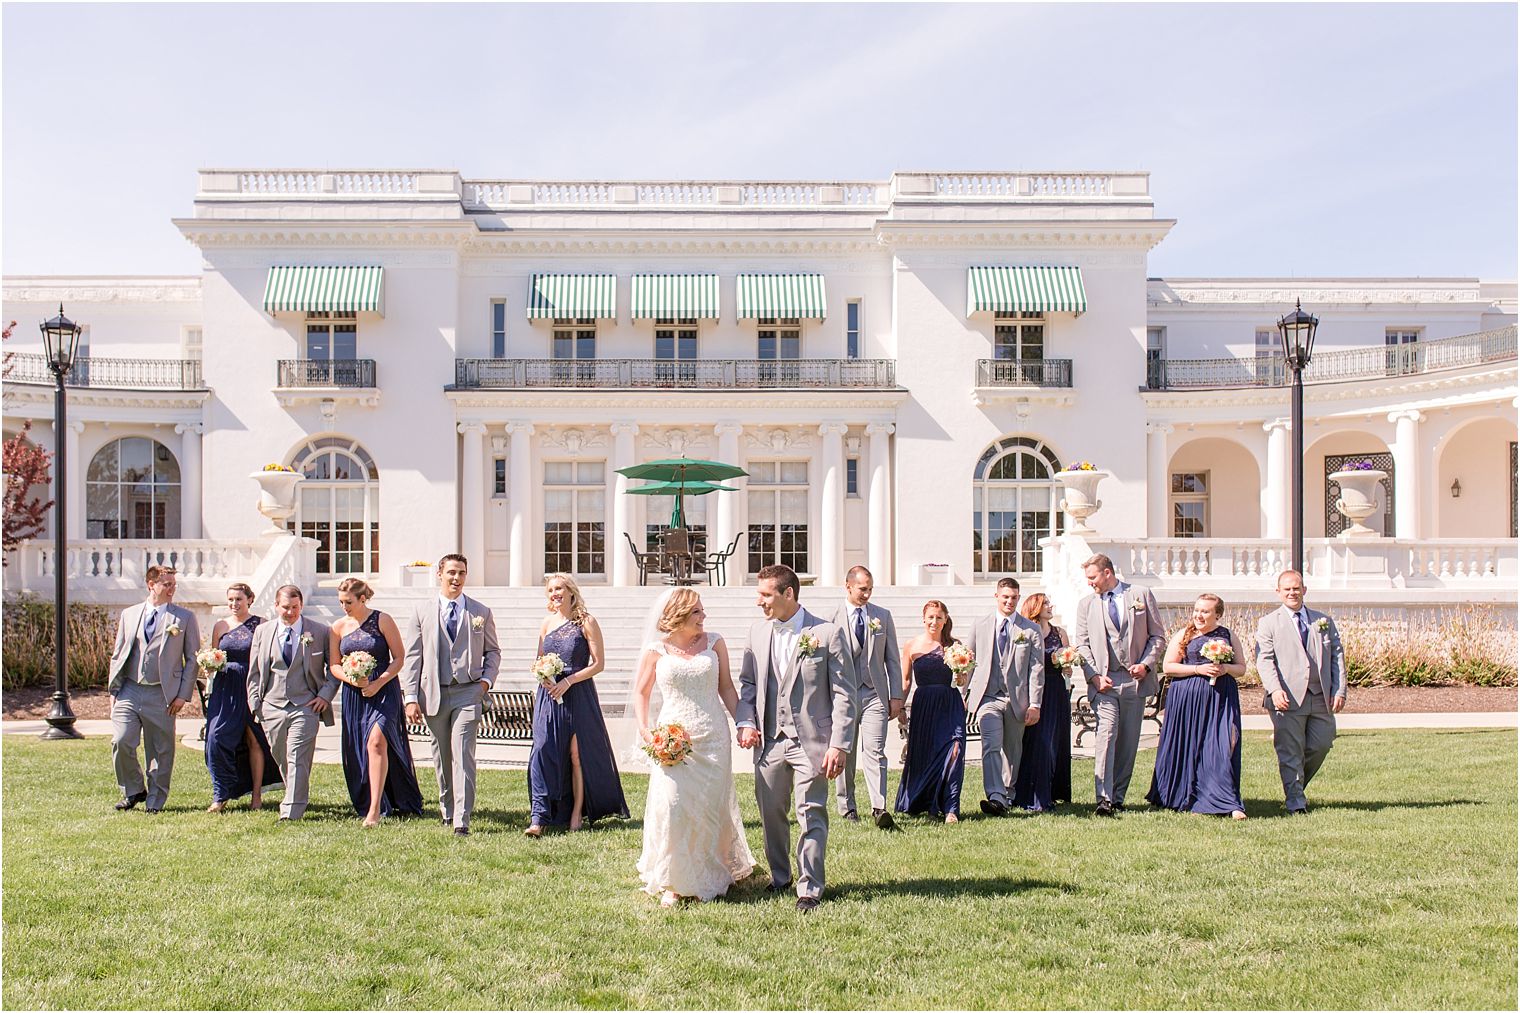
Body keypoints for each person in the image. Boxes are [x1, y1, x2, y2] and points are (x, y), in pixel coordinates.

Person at [735, 563, 856, 914]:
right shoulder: (757, 633)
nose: (759, 602)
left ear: (788, 593)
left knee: (811, 811)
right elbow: (748, 685)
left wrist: (839, 743)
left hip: (813, 740)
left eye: (765, 594)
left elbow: (846, 693)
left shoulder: (828, 633)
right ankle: (780, 876)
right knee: (770, 811)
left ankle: (810, 887)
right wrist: (746, 722)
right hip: (770, 740)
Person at [632, 588, 756, 906]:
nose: (704, 617)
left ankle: (710, 870)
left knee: (709, 807)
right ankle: (674, 879)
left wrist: (744, 721)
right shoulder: (656, 649)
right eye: (697, 612)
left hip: (713, 736)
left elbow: (726, 687)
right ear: (680, 615)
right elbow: (641, 692)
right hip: (673, 737)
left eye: (702, 611)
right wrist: (647, 731)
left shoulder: (715, 643)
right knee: (674, 806)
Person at [402, 554, 501, 836]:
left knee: (463, 753)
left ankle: (462, 818)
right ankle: (447, 808)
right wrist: (410, 697)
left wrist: (485, 682)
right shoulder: (421, 611)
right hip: (433, 692)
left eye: (461, 573)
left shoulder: (481, 612)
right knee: (442, 756)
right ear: (439, 574)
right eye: (452, 573)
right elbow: (413, 657)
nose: (456, 578)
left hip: (469, 692)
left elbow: (493, 651)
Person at [525, 573, 629, 837]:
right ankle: (538, 816)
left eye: (559, 588)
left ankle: (575, 813)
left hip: (578, 694)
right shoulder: (546, 623)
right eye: (550, 590)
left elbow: (598, 663)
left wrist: (569, 680)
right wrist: (544, 676)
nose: (555, 593)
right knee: (542, 749)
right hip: (549, 695)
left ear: (571, 591)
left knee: (576, 756)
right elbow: (538, 659)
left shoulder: (586, 621)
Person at [1072, 553, 1165, 816]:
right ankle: (1103, 798)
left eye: (1092, 578)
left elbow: (1157, 636)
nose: (1090, 583)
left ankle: (1119, 796)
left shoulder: (1141, 595)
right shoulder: (1086, 605)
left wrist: (1146, 664)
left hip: (1135, 680)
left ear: (1108, 573)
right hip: (1105, 681)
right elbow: (1082, 645)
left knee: (1128, 740)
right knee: (1107, 733)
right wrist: (1094, 676)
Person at [1145, 594, 1248, 820]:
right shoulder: (1185, 634)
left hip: (1221, 699)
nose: (1199, 615)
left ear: (1217, 615)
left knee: (1223, 744)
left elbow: (1241, 668)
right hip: (1187, 700)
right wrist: (1198, 670)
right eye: (1197, 610)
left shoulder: (1228, 635)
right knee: (1187, 746)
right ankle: (1180, 795)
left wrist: (1225, 669)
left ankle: (1227, 801)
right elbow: (1169, 666)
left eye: (1205, 611)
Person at [106, 565, 199, 812]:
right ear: (151, 585)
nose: (171, 589)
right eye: (166, 584)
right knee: (121, 740)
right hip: (129, 689)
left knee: (160, 750)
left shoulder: (184, 618)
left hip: (162, 693)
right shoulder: (129, 614)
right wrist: (113, 690)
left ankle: (155, 801)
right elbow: (118, 654)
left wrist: (182, 694)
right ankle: (133, 789)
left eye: (173, 585)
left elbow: (192, 659)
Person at [331, 577, 422, 825]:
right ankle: (376, 799)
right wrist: (353, 680)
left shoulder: (383, 619)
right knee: (364, 747)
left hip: (384, 690)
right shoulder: (338, 627)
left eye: (348, 602)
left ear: (363, 599)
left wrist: (378, 682)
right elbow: (334, 665)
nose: (344, 607)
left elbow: (399, 657)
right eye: (341, 602)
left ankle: (374, 811)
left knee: (376, 741)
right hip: (355, 694)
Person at [1255, 569, 1347, 815]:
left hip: (1320, 697)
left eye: (1296, 588)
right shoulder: (1268, 623)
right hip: (1287, 697)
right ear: (1278, 592)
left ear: (1304, 590)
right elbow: (1264, 661)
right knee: (1290, 749)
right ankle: (1295, 800)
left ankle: (1294, 787)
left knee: (1322, 743)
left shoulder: (1322, 620)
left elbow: (1337, 657)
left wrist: (1339, 690)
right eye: (1287, 589)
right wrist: (1274, 690)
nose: (1292, 593)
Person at [247, 584, 337, 821]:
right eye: (285, 607)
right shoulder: (262, 632)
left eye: (295, 607)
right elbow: (255, 671)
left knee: (297, 754)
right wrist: (256, 703)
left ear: (301, 606)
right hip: (271, 706)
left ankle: (291, 810)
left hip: (306, 705)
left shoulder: (319, 632)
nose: (290, 612)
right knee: (280, 754)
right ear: (276, 606)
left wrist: (324, 696)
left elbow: (333, 669)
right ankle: (294, 792)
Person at [829, 565, 903, 829]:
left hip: (874, 694)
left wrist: (896, 696)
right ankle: (847, 806)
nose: (867, 594)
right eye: (862, 589)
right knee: (844, 753)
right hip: (843, 696)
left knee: (875, 750)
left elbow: (893, 659)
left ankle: (878, 807)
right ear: (848, 586)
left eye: (870, 589)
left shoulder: (882, 616)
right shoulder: (831, 619)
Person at [965, 577, 1044, 817]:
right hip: (987, 698)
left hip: (1017, 699)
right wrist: (961, 693)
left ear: (1018, 598)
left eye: (1014, 597)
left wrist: (1035, 704)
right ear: (996, 597)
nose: (1009, 601)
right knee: (990, 745)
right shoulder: (981, 624)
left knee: (1012, 749)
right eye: (1005, 597)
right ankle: (995, 795)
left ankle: (1007, 795)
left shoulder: (1030, 629)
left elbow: (1036, 669)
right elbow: (968, 661)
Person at [202, 582, 281, 812]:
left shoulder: (261, 624)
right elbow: (214, 654)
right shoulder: (220, 626)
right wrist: (209, 666)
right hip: (225, 687)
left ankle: (256, 795)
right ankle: (221, 793)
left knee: (254, 738)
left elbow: (268, 657)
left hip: (251, 684)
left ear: (249, 600)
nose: (234, 604)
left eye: (238, 599)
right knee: (215, 739)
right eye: (230, 600)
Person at [893, 600, 968, 823]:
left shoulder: (955, 645)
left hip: (950, 703)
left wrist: (961, 676)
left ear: (946, 619)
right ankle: (925, 801)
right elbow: (906, 681)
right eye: (931, 617)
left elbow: (962, 679)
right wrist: (900, 707)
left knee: (955, 749)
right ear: (923, 619)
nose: (934, 621)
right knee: (926, 755)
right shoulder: (911, 645)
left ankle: (951, 808)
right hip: (924, 704)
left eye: (939, 617)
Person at [1013, 592, 1072, 812]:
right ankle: (1033, 793)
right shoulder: (1027, 632)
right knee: (1039, 742)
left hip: (1056, 690)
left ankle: (1055, 791)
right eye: (1045, 603)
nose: (1050, 606)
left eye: (1049, 602)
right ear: (1035, 607)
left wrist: (1067, 665)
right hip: (1036, 692)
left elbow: (1068, 660)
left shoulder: (1060, 633)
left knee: (1056, 742)